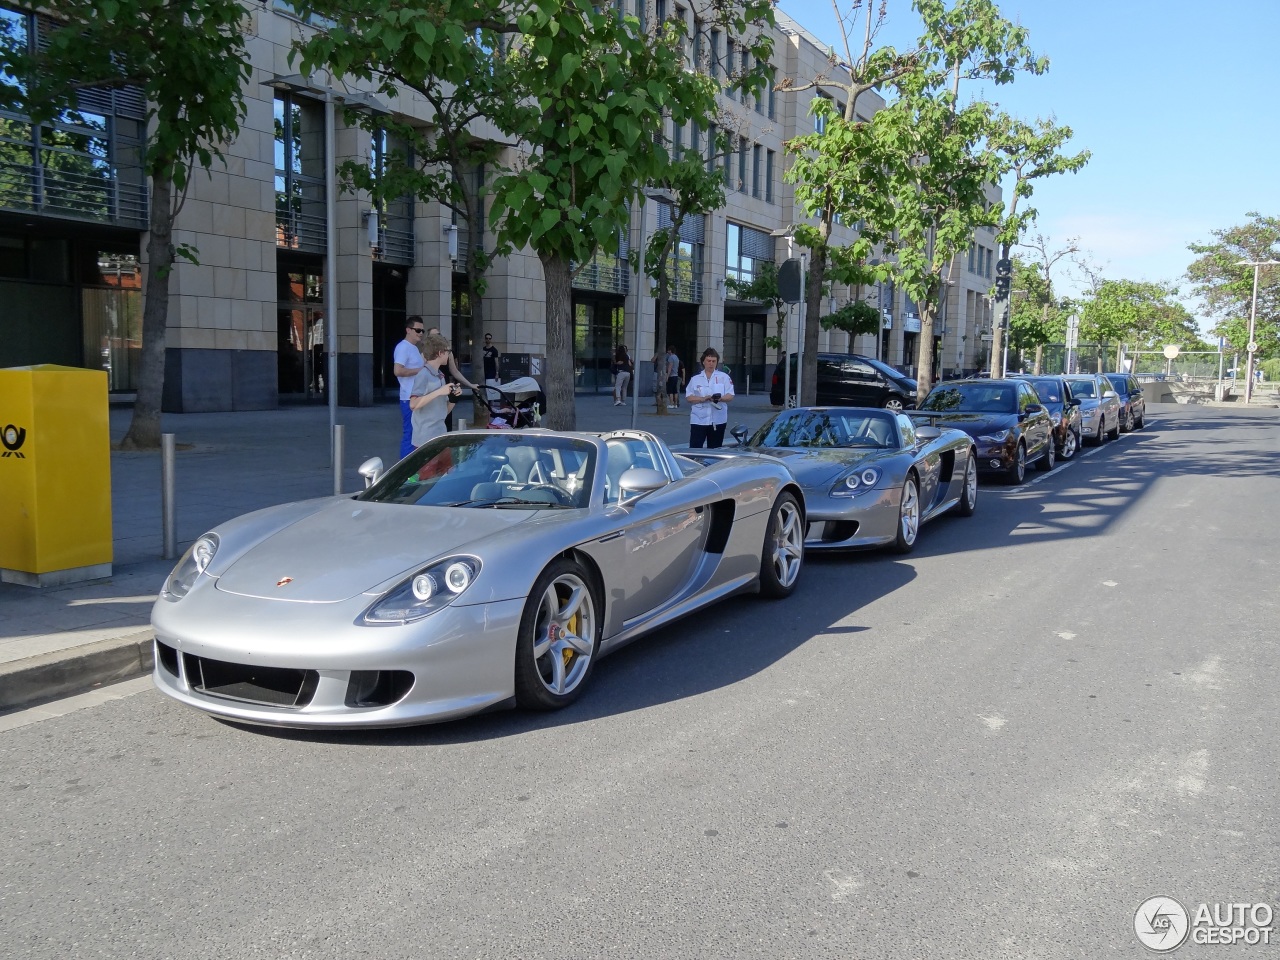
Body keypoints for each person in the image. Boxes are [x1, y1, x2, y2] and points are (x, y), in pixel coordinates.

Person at [409, 333, 462, 447]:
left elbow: (443, 412)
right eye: (448, 351)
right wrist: (439, 391)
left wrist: (454, 398)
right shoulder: (423, 374)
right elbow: (413, 404)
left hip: (440, 435)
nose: (449, 354)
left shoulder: (440, 375)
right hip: (425, 440)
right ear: (440, 353)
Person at [686, 347, 735, 448]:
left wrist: (720, 399)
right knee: (695, 448)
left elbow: (730, 395)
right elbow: (689, 397)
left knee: (715, 449)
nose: (711, 363)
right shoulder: (695, 379)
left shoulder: (724, 377)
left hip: (718, 420)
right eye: (709, 361)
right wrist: (702, 399)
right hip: (698, 420)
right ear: (703, 361)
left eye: (714, 361)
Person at [393, 316, 426, 459]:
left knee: (417, 434)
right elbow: (398, 371)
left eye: (422, 331)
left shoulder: (413, 348)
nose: (420, 333)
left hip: (417, 397)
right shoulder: (403, 347)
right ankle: (405, 471)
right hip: (409, 398)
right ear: (408, 330)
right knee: (410, 434)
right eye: (417, 330)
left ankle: (413, 469)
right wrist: (420, 370)